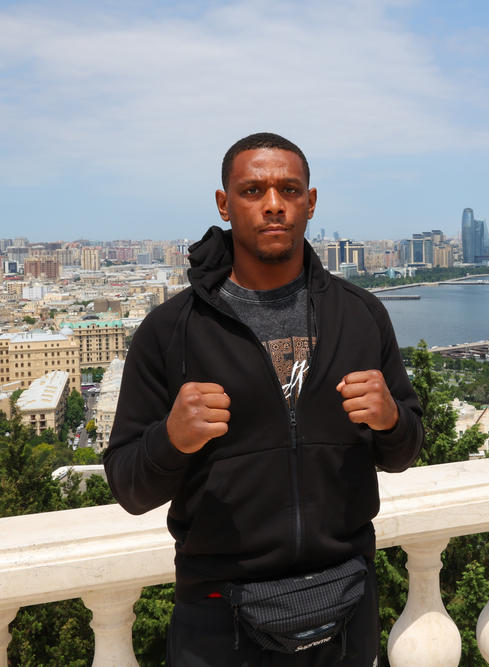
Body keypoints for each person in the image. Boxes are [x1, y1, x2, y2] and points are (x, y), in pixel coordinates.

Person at [105, 132, 424, 666]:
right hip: (219, 616)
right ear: (224, 204)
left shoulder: (361, 315)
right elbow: (128, 487)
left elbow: (404, 453)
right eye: (253, 190)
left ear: (310, 202)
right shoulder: (171, 330)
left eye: (289, 190)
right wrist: (171, 440)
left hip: (344, 603)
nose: (274, 205)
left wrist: (392, 420)